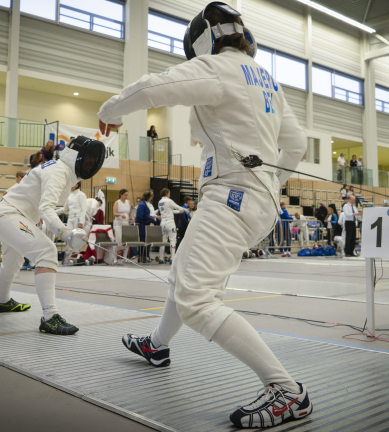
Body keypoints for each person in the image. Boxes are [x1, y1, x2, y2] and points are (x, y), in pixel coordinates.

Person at [98, 3, 311, 426]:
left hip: (232, 197)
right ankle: (157, 345)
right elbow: (298, 144)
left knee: (196, 299)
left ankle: (287, 391)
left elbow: (152, 88)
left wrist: (109, 112)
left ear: (202, 40)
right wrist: (272, 181)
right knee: (183, 272)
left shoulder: (218, 68)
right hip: (258, 201)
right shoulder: (267, 79)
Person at [0, 136, 104, 335]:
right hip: (10, 214)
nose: (91, 163)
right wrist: (66, 233)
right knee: (47, 252)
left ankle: (2, 302)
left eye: (93, 161)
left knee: (12, 263)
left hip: (10, 214)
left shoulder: (60, 169)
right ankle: (50, 317)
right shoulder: (59, 171)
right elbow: (46, 208)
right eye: (88, 159)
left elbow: (34, 198)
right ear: (76, 156)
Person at [158, 188, 187, 263]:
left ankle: (161, 258)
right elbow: (177, 207)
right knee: (173, 240)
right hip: (170, 223)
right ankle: (172, 259)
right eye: (169, 193)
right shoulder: (169, 201)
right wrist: (186, 210)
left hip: (162, 223)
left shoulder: (160, 202)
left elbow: (169, 211)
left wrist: (178, 212)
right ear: (166, 193)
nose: (169, 194)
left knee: (163, 241)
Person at [61, 182, 88, 260]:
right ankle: (68, 253)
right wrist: (54, 211)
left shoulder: (81, 195)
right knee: (68, 236)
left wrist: (81, 222)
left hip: (77, 218)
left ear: (76, 185)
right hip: (70, 218)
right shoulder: (70, 195)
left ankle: (77, 254)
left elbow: (83, 209)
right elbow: (65, 208)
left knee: (76, 237)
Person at [134, 189, 159, 263]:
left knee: (145, 241)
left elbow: (146, 215)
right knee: (142, 241)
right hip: (142, 225)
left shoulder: (145, 203)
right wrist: (149, 220)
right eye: (151, 197)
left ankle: (145, 256)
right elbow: (140, 216)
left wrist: (151, 220)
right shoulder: (142, 204)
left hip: (145, 224)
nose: (151, 198)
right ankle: (141, 257)